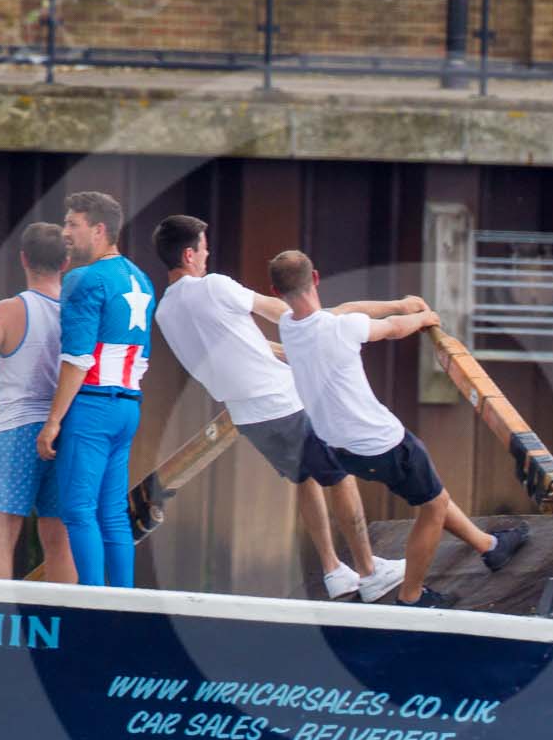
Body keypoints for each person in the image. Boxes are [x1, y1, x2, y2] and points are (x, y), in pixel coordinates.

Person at [150, 214, 404, 602]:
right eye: (203, 248)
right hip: (281, 401)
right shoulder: (214, 287)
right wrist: (321, 327)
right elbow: (280, 310)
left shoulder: (165, 312)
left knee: (306, 478)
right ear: (188, 254)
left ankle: (334, 570)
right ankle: (371, 572)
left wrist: (283, 351)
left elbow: (227, 348)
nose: (208, 254)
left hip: (248, 417)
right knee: (339, 476)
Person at [270, 249, 527, 606]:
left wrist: (400, 303)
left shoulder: (290, 326)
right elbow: (391, 330)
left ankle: (491, 547)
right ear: (315, 278)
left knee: (429, 492)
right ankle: (412, 595)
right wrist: (424, 317)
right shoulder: (340, 328)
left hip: (342, 450)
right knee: (433, 506)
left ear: (277, 292)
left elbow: (347, 310)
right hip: (384, 443)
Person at [38, 191, 154, 588]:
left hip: (92, 406)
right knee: (113, 512)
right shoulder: (140, 278)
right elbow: (141, 359)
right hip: (127, 406)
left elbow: (77, 359)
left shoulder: (83, 279)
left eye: (73, 224)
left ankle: (93, 603)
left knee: (78, 510)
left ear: (99, 229)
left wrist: (53, 421)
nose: (65, 232)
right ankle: (123, 601)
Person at [0, 223, 76, 582]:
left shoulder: (8, 311)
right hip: (64, 428)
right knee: (59, 538)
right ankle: (63, 626)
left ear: (23, 259)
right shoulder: (77, 313)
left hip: (15, 429)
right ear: (66, 262)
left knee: (0, 535)